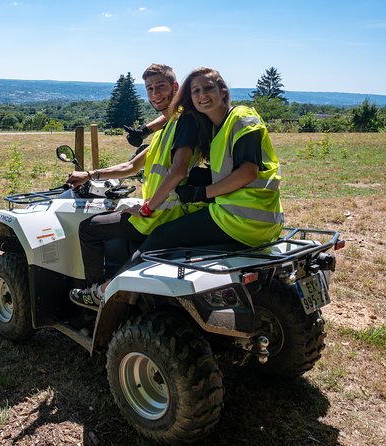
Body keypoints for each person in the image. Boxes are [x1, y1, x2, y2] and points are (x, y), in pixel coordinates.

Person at [76, 67, 284, 307]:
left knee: (149, 242)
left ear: (224, 92)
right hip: (247, 214)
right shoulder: (213, 127)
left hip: (235, 218)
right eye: (196, 91)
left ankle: (104, 292)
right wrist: (145, 130)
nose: (201, 95)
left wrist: (199, 193)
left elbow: (247, 172)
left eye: (208, 89)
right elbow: (169, 122)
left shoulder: (239, 118)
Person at [66, 64, 208, 310]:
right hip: (157, 212)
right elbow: (130, 167)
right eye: (150, 89)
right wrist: (90, 174)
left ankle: (96, 294)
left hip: (163, 215)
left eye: (161, 87)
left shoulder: (185, 122)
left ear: (175, 87)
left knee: (89, 229)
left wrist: (146, 208)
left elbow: (179, 170)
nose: (155, 94)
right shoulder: (169, 126)